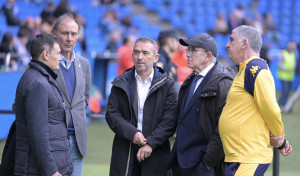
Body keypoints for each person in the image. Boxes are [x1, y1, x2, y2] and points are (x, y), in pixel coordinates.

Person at [219, 25, 292, 176]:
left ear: (244, 43)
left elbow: (271, 108)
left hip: (249, 157)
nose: (227, 44)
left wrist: (280, 137)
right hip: (239, 156)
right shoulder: (244, 69)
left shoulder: (255, 68)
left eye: (231, 40)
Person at [105, 37, 178, 176]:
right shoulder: (120, 82)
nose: (140, 57)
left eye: (145, 53)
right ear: (132, 55)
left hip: (156, 153)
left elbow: (170, 120)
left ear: (156, 57)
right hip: (125, 152)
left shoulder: (168, 85)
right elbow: (112, 114)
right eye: (136, 52)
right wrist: (133, 133)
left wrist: (150, 143)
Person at [168, 33, 236, 176]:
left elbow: (225, 129)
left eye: (193, 50)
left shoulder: (224, 83)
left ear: (208, 55)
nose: (187, 54)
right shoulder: (192, 78)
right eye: (188, 50)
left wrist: (208, 161)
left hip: (202, 166)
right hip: (181, 162)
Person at [14, 33, 73, 176]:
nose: (60, 57)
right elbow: (37, 132)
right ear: (46, 54)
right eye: (58, 53)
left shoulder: (40, 78)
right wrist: (51, 170)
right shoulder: (38, 84)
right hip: (39, 169)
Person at [52, 13, 91, 176]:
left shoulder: (85, 64)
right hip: (53, 142)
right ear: (54, 34)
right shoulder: (45, 63)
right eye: (65, 33)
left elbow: (84, 100)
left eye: (74, 34)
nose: (69, 38)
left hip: (77, 141)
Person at [277, 41, 297, 109]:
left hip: (290, 77)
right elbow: (279, 65)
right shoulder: (283, 53)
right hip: (283, 76)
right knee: (285, 91)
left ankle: (283, 106)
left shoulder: (293, 54)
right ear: (289, 47)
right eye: (293, 46)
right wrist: (287, 69)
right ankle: (280, 105)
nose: (294, 48)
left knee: (288, 92)